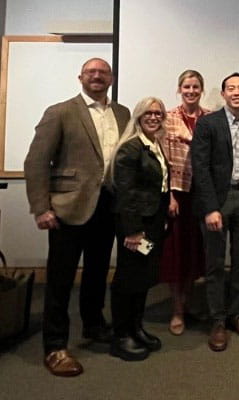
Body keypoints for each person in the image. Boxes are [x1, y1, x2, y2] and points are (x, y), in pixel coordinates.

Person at [24, 58, 130, 376]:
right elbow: (36, 162)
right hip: (68, 208)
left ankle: (94, 325)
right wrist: (41, 208)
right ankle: (55, 346)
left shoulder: (122, 113)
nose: (97, 76)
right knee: (60, 280)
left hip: (108, 206)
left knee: (98, 272)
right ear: (80, 77)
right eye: (91, 72)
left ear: (111, 78)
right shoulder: (60, 112)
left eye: (103, 72)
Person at [191, 72, 239, 352]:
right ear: (223, 94)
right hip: (218, 200)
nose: (236, 92)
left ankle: (236, 314)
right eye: (231, 88)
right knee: (216, 263)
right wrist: (210, 208)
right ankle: (218, 320)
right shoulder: (208, 124)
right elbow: (201, 168)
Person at [109, 97, 170, 361]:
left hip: (152, 221)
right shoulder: (130, 148)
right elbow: (125, 192)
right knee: (127, 278)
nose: (154, 117)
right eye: (149, 113)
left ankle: (136, 327)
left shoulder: (154, 144)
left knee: (143, 276)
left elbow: (159, 185)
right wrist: (133, 231)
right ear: (138, 116)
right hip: (134, 226)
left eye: (159, 113)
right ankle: (121, 335)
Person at [160, 70, 210, 335]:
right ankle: (176, 310)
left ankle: (188, 303)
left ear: (202, 89)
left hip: (201, 193)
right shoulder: (167, 118)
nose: (191, 90)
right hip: (177, 193)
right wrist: (168, 195)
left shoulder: (210, 117)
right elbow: (160, 159)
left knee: (194, 251)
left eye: (195, 86)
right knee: (176, 253)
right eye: (186, 86)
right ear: (179, 89)